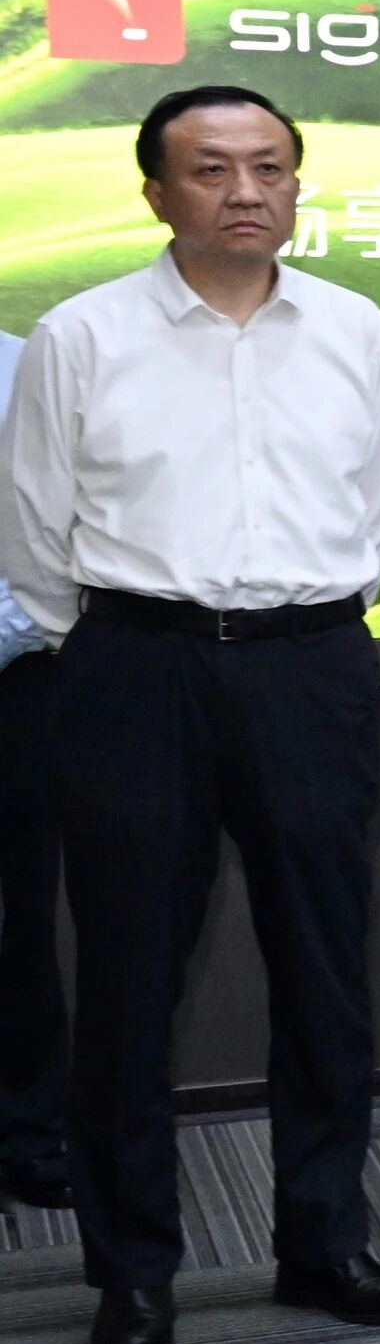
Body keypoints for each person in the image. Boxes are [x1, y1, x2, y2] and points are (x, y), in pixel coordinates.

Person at [0, 85, 380, 1344]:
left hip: (311, 667)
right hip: (137, 671)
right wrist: (118, 646)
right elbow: (35, 528)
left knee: (325, 967)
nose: (246, 190)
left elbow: (373, 505)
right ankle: (134, 1272)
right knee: (129, 981)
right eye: (211, 168)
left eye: (270, 166)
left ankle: (324, 1242)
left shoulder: (350, 325)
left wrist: (302, 622)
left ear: (297, 182)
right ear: (156, 192)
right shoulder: (82, 334)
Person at [0, 331, 65, 1218]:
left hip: (16, 676)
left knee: (23, 915)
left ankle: (27, 1132)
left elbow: (54, 541)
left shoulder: (27, 365)